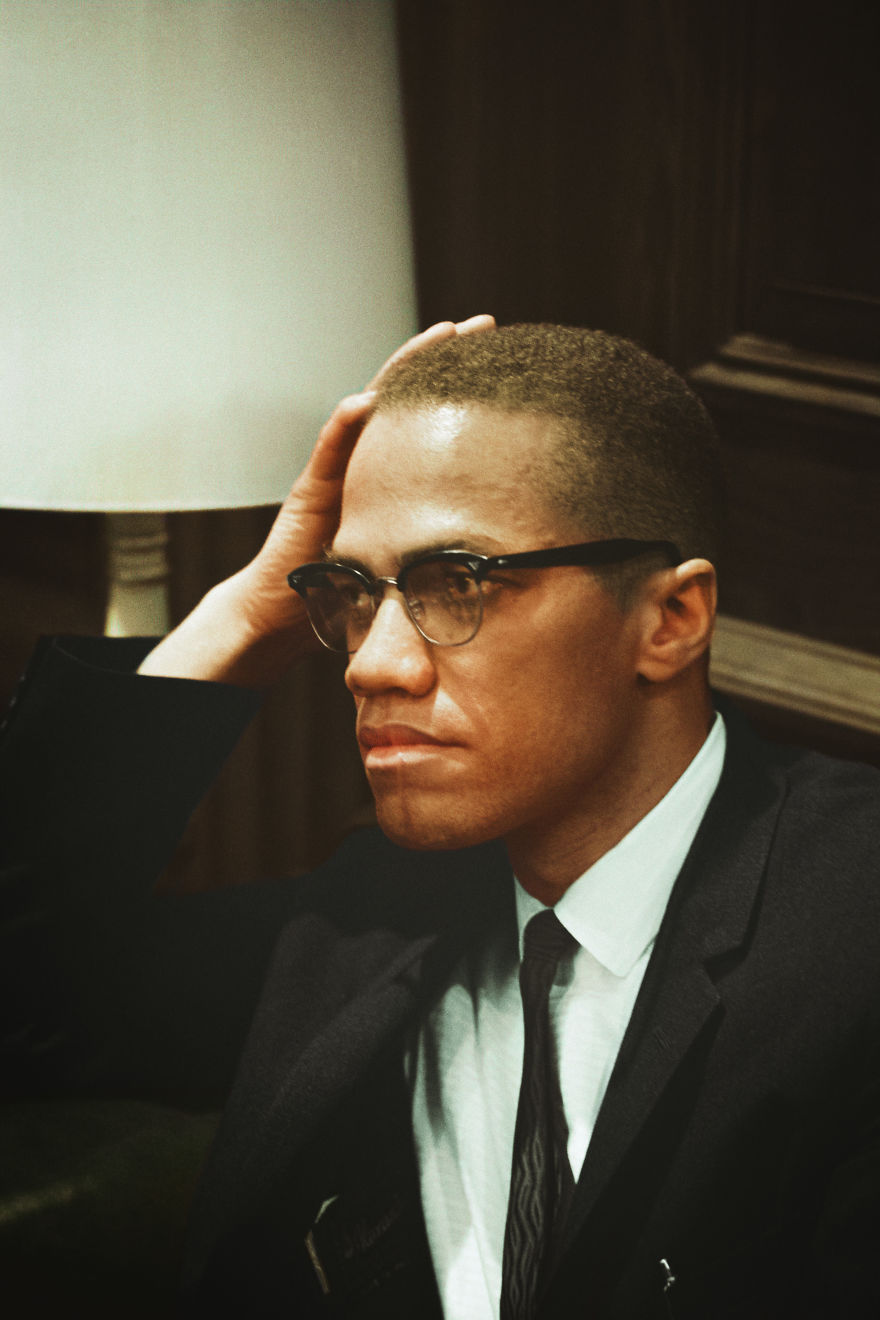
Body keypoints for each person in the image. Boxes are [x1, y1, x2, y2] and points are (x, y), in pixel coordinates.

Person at [2, 318, 879, 1319]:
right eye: (349, 594)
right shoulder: (364, 919)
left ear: (669, 620)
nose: (371, 663)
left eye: (455, 583)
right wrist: (243, 616)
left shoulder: (855, 928)